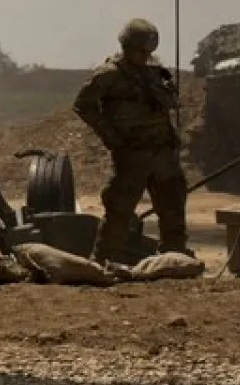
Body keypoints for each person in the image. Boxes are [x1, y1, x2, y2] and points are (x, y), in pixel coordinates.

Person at [73, 18, 190, 264]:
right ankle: (104, 262)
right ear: (127, 46)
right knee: (120, 210)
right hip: (132, 154)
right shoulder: (109, 75)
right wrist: (110, 136)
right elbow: (83, 105)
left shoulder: (154, 74)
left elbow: (171, 102)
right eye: (141, 50)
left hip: (163, 153)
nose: (145, 56)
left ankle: (174, 258)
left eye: (149, 52)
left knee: (173, 206)